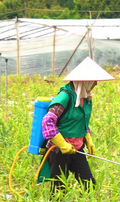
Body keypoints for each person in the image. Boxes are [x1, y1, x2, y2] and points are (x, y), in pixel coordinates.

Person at [41, 57, 114, 193]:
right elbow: (48, 122)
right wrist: (62, 144)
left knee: (89, 184)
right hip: (58, 150)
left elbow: (80, 121)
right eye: (93, 81)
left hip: (77, 148)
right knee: (59, 189)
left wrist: (88, 139)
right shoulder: (65, 97)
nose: (96, 84)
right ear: (83, 81)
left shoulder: (85, 98)